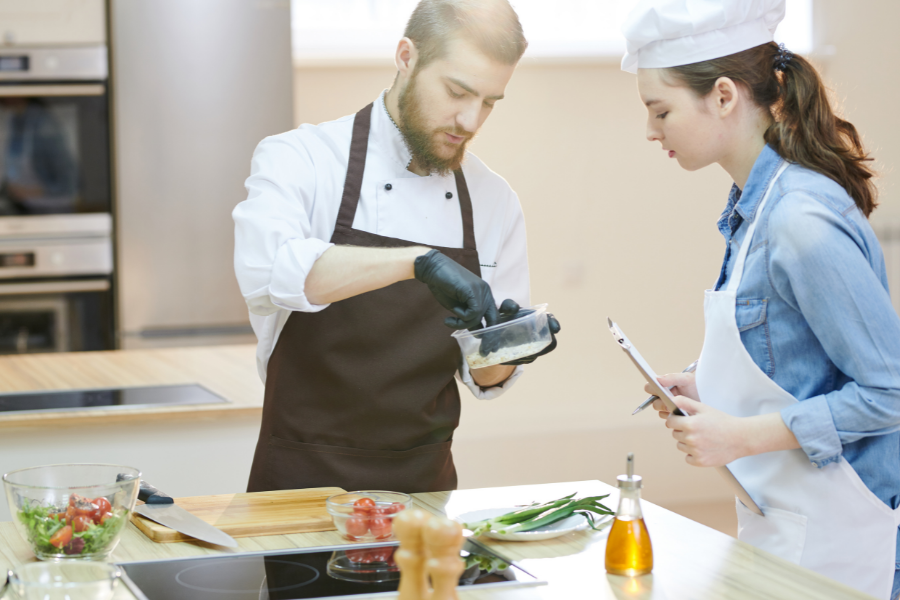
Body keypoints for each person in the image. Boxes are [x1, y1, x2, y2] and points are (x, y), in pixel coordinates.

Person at [621, 0, 900, 597]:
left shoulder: (799, 221)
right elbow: (795, 358)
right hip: (793, 524)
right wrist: (708, 387)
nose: (651, 130)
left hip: (849, 540)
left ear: (723, 95)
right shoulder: (753, 208)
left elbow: (890, 391)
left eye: (661, 110)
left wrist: (741, 437)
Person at [233, 0, 559, 496]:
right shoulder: (301, 159)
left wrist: (514, 343)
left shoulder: (494, 201)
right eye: (457, 91)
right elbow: (273, 273)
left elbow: (486, 376)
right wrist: (418, 263)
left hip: (423, 493)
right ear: (406, 56)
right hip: (299, 488)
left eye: (490, 102)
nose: (471, 120)